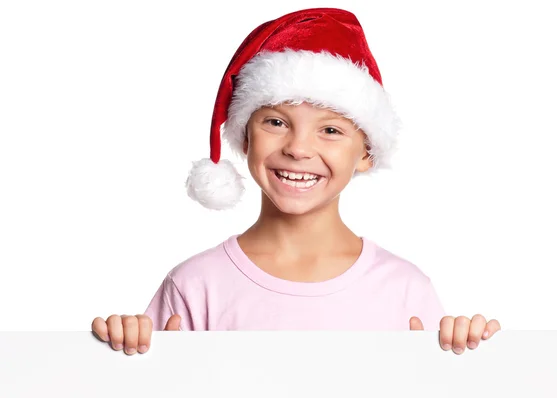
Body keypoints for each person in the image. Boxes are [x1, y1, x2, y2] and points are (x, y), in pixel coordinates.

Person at [91, 7, 500, 356]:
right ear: (245, 136)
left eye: (331, 130)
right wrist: (126, 352)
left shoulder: (406, 289)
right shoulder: (194, 285)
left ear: (366, 153)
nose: (299, 148)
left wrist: (465, 359)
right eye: (275, 122)